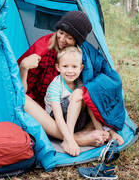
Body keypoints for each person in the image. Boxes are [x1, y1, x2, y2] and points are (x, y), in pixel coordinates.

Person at [18, 10, 125, 155]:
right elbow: (19, 90)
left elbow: (105, 77)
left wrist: (86, 91)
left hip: (75, 112)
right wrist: (23, 68)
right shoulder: (43, 46)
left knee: (87, 90)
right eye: (60, 33)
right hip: (47, 110)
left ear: (77, 41)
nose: (62, 39)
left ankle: (100, 130)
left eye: (69, 37)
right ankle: (76, 138)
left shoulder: (83, 54)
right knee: (21, 100)